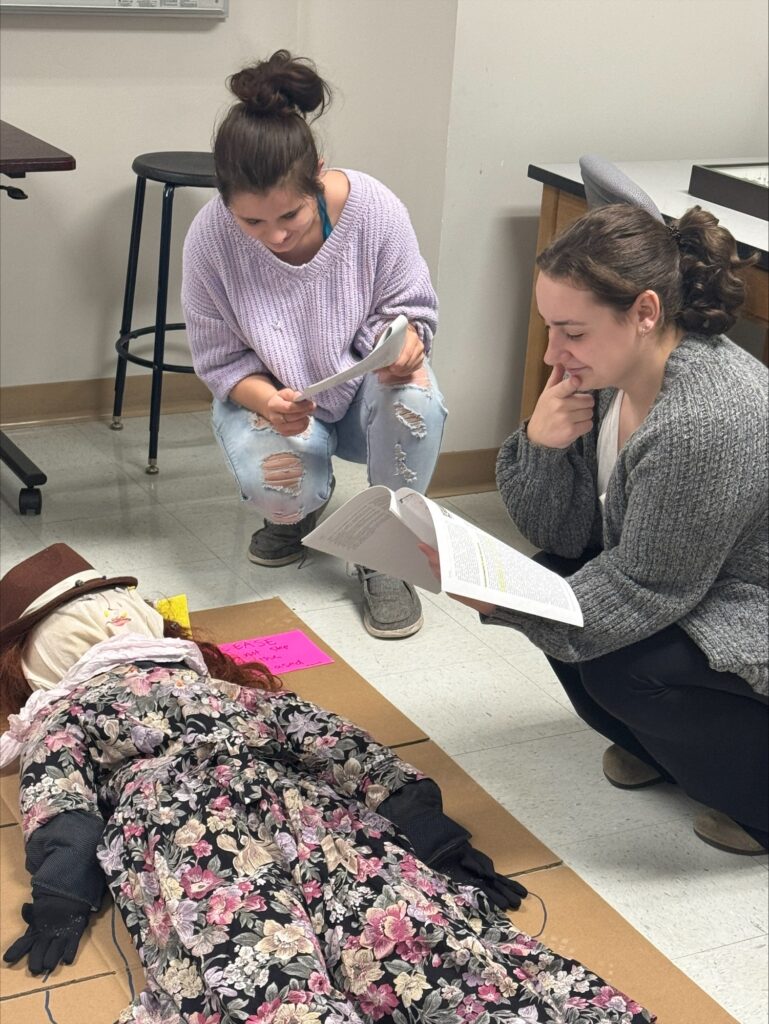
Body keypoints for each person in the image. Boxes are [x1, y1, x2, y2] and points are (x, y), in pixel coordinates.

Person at [0, 544, 656, 1023]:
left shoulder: (90, 709)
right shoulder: (131, 702)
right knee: (361, 936)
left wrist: (64, 890)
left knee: (294, 952)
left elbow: (62, 802)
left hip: (226, 828)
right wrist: (419, 816)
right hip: (258, 815)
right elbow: (324, 737)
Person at [423, 157, 768, 857]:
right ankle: (665, 749)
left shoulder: (705, 418)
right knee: (557, 574)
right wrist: (542, 445)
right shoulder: (611, 375)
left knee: (616, 663)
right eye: (550, 327)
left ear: (644, 312)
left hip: (746, 611)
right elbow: (564, 534)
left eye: (573, 332)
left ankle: (758, 805)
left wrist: (506, 602)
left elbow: (649, 588)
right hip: (692, 585)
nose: (554, 353)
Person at [181, 49, 447, 640]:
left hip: (362, 391)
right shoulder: (209, 241)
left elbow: (411, 310)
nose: (275, 236)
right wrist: (266, 400)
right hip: (273, 398)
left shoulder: (373, 210)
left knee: (415, 399)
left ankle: (386, 550)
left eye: (290, 215)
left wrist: (406, 344)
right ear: (224, 198)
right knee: (282, 488)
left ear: (318, 174)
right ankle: (297, 513)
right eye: (252, 222)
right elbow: (220, 359)